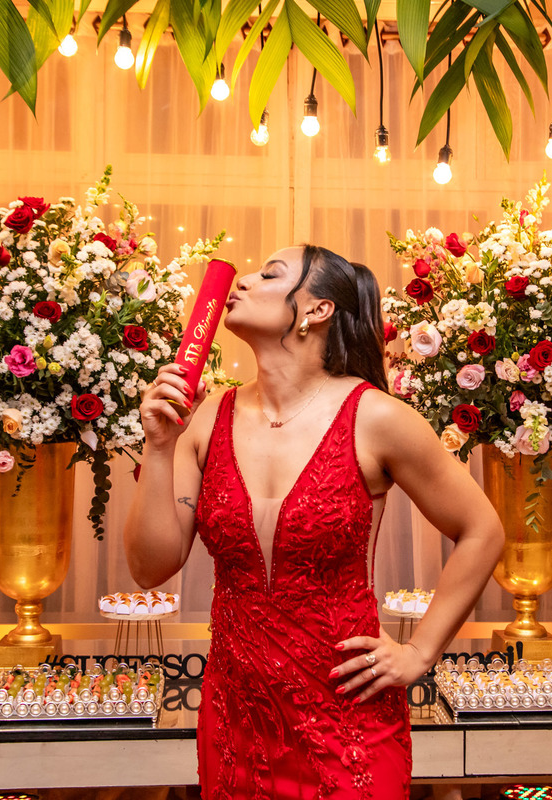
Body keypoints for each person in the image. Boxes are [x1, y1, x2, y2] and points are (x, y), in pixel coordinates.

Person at [124, 244, 504, 799]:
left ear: (317, 310)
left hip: (347, 717)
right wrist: (159, 447)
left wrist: (419, 652)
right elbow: (149, 568)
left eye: (269, 273)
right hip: (236, 719)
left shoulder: (376, 417)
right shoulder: (205, 418)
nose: (244, 280)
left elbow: (483, 530)